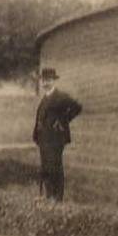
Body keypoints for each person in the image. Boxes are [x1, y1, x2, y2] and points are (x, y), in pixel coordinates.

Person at [32, 68, 83, 202]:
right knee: (46, 166)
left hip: (56, 138)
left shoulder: (61, 96)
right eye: (43, 80)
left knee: (55, 165)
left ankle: (58, 197)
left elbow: (77, 107)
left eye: (48, 79)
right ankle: (49, 195)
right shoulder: (44, 98)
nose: (45, 83)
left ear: (54, 80)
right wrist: (37, 134)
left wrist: (62, 121)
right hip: (43, 138)